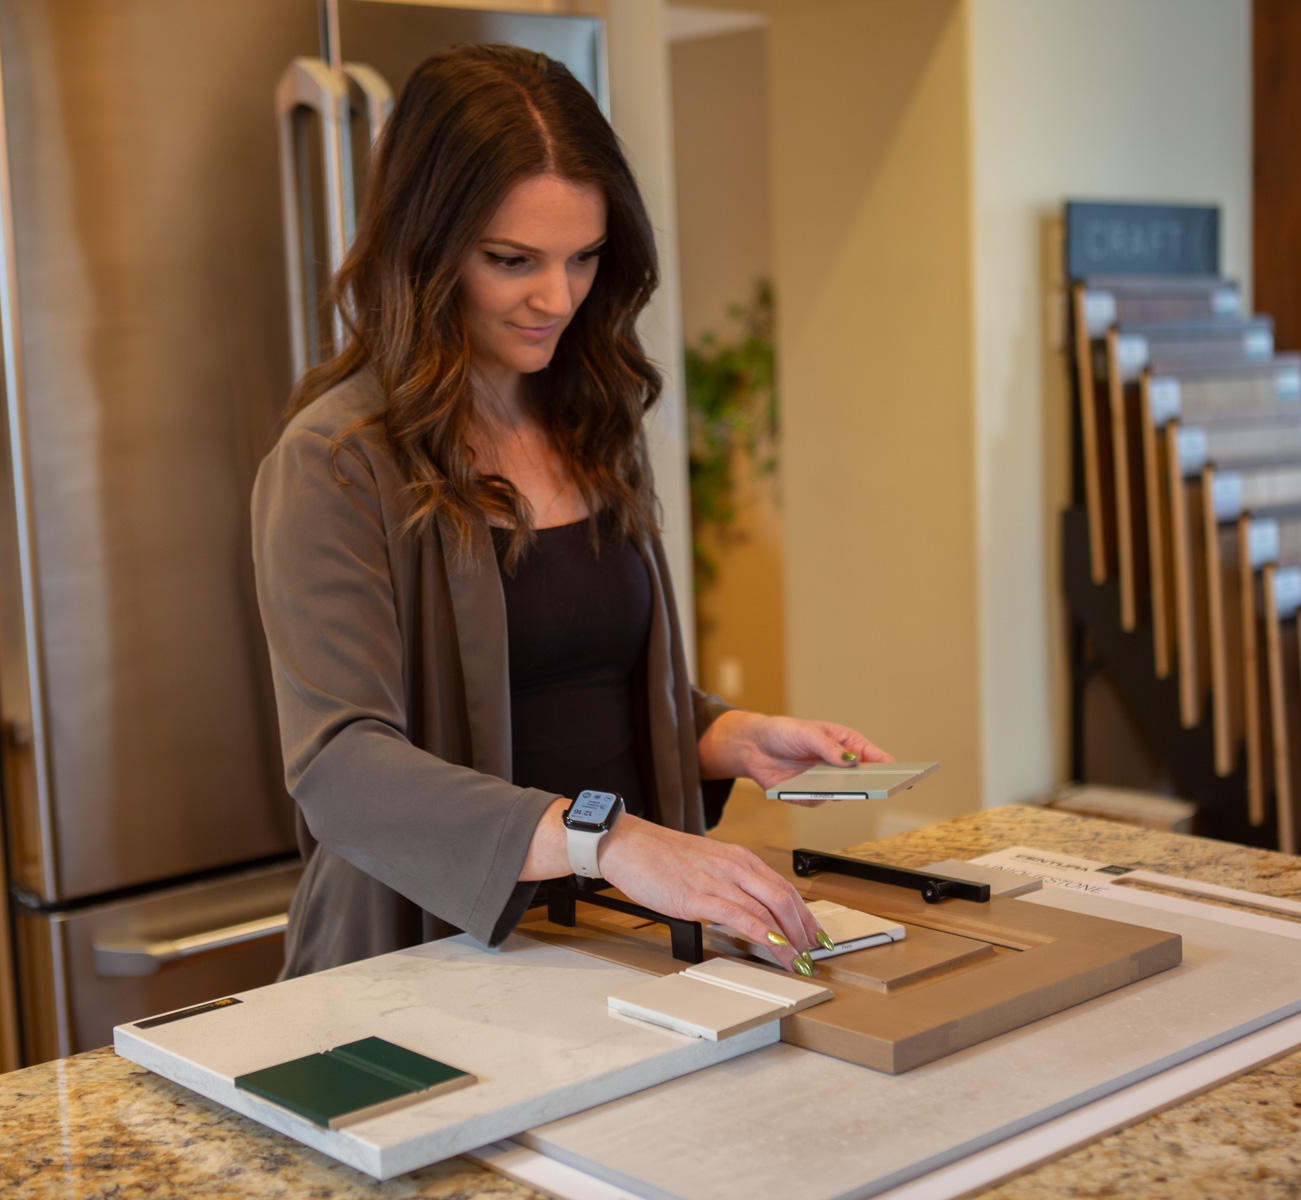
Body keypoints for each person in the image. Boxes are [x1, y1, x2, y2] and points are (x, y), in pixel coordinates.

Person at [252, 44, 890, 981]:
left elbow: (575, 690)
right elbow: (342, 771)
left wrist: (728, 737)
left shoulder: (591, 417)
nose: (556, 298)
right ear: (423, 250)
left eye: (584, 257)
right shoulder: (336, 463)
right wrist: (609, 838)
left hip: (615, 950)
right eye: (511, 260)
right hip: (432, 964)